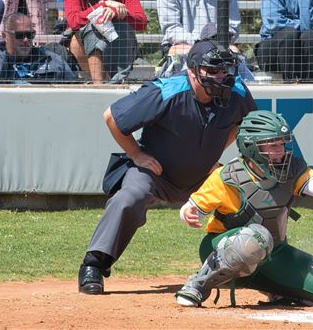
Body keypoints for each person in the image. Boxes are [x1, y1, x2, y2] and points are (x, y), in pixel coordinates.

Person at [77, 39, 257, 295]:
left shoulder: (236, 90)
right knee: (130, 197)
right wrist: (136, 154)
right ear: (192, 70)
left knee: (248, 193)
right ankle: (93, 265)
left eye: (224, 69)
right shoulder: (167, 90)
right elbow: (112, 117)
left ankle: (255, 268)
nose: (220, 76)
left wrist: (214, 155)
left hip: (202, 176)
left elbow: (244, 124)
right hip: (156, 173)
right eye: (212, 70)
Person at [175, 110, 313, 308]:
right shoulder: (227, 177)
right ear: (251, 147)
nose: (280, 150)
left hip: (273, 252)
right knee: (257, 237)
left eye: (282, 144)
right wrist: (188, 213)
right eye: (273, 145)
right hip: (219, 250)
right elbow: (191, 208)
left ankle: (277, 289)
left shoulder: (291, 169)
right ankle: (198, 284)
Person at [64, 0, 147, 84]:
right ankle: (99, 85)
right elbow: (74, 22)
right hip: (82, 47)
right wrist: (103, 5)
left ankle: (116, 81)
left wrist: (117, 12)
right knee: (93, 27)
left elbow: (142, 22)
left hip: (117, 43)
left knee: (122, 25)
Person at [256, 0, 313, 81]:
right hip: (272, 51)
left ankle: (311, 85)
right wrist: (302, 27)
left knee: (311, 37)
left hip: (301, 49)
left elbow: (311, 24)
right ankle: (290, 85)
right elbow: (274, 22)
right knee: (290, 34)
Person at [0, 12, 76, 83]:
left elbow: (73, 92)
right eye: (20, 35)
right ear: (5, 36)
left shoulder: (52, 60)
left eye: (30, 35)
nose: (26, 40)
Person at [157, 0, 241, 58]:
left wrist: (213, 42)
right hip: (181, 45)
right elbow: (172, 31)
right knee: (186, 51)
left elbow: (233, 26)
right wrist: (201, 43)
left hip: (217, 44)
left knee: (234, 51)